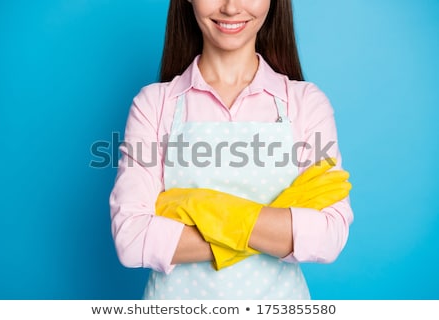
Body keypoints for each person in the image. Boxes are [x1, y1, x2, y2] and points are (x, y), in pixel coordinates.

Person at [109, 0, 353, 300]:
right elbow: (132, 240)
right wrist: (277, 227)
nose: (230, 7)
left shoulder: (306, 103)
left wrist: (194, 203)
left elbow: (328, 236)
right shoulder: (154, 105)